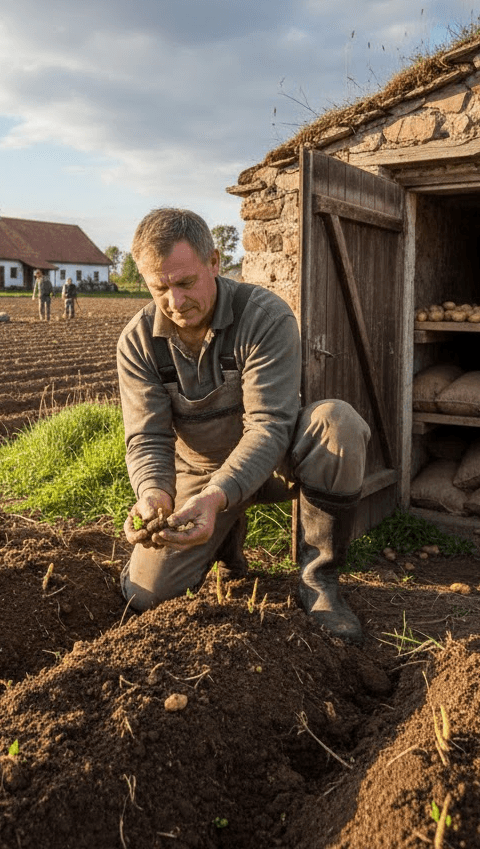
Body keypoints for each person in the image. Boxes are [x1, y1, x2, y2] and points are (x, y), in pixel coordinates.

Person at [116, 208, 373, 642]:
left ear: (214, 262)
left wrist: (217, 496)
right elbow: (148, 437)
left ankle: (319, 578)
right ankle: (224, 537)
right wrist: (153, 493)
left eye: (185, 283)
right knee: (147, 595)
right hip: (200, 471)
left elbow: (269, 426)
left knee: (337, 424)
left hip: (276, 462)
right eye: (159, 288)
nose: (174, 302)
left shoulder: (264, 317)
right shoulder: (137, 342)